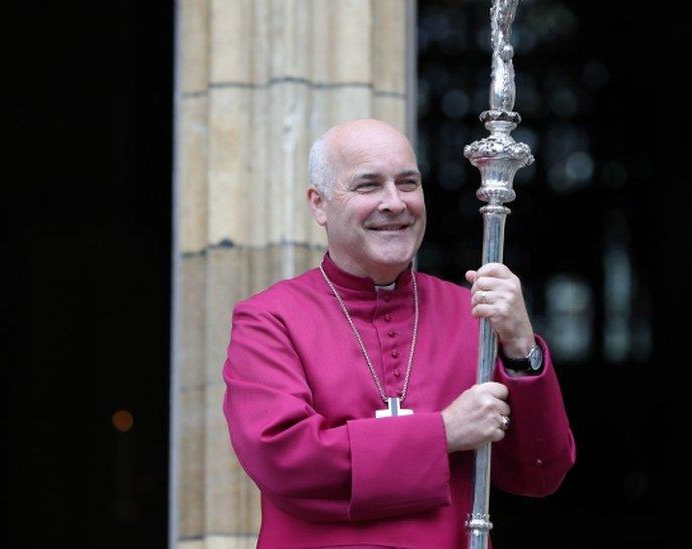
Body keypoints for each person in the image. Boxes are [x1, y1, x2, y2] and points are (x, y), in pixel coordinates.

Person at [223, 119, 575, 548]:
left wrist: (521, 348)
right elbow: (283, 458)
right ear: (319, 205)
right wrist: (442, 433)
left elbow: (539, 472)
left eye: (407, 183)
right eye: (368, 186)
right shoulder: (270, 319)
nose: (394, 202)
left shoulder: (470, 313)